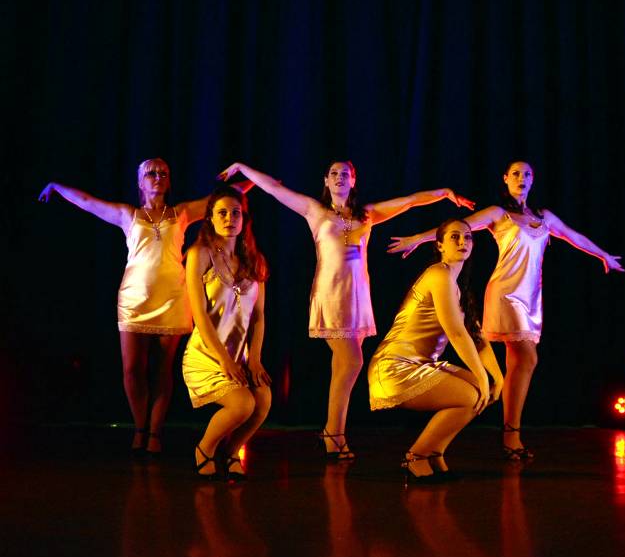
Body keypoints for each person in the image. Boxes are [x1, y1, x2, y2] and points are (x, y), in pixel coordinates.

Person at [217, 161, 474, 460]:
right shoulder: (316, 211)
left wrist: (444, 193)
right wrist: (241, 168)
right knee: (352, 362)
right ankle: (333, 434)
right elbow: (275, 189)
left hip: (358, 297)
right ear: (326, 180)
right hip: (331, 295)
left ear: (354, 180)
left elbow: (410, 201)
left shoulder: (366, 214)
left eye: (346, 174)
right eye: (334, 174)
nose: (340, 178)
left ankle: (334, 433)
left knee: (344, 368)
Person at [388, 161, 624, 459]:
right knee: (526, 356)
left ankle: (509, 430)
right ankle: (508, 432)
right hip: (505, 293)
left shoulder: (544, 217)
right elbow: (458, 227)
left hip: (531, 298)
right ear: (505, 179)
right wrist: (418, 238)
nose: (521, 178)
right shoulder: (499, 214)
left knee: (522, 363)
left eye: (526, 174)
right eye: (515, 174)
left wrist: (603, 255)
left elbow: (573, 235)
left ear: (532, 180)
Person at [38, 158, 250, 455]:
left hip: (173, 299)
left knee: (163, 370)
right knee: (133, 368)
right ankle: (139, 427)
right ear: (140, 182)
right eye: (151, 173)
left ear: (169, 180)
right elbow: (88, 202)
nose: (157, 176)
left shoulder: (182, 213)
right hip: (134, 300)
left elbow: (223, 198)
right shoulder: (129, 215)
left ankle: (154, 433)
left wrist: (255, 181)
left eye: (163, 172)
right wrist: (57, 187)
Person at [369, 219, 504, 482]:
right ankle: (416, 456)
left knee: (479, 393)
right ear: (440, 245)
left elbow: (476, 337)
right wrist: (481, 376)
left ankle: (434, 452)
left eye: (468, 237)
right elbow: (455, 332)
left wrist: (496, 377)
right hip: (395, 366)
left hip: (420, 365)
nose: (463, 242)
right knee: (470, 395)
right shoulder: (438, 274)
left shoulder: (458, 286)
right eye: (455, 237)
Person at [183, 186, 270, 480]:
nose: (229, 218)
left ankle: (231, 451)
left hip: (240, 356)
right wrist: (225, 361)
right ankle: (205, 448)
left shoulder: (254, 260)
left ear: (244, 218)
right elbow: (200, 318)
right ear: (210, 217)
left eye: (236, 213)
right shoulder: (200, 253)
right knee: (243, 404)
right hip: (207, 355)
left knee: (264, 399)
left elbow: (258, 318)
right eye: (222, 212)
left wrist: (254, 359)